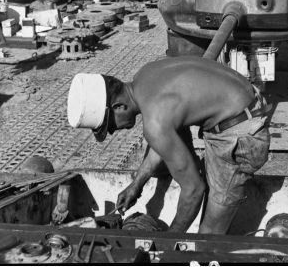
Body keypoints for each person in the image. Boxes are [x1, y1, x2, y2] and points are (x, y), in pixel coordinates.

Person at [67, 56, 271, 234]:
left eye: (109, 125)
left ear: (118, 106)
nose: (112, 131)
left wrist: (171, 239)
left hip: (239, 135)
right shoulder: (146, 75)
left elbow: (193, 190)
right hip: (243, 110)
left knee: (207, 234)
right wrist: (136, 184)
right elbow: (165, 141)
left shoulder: (155, 122)